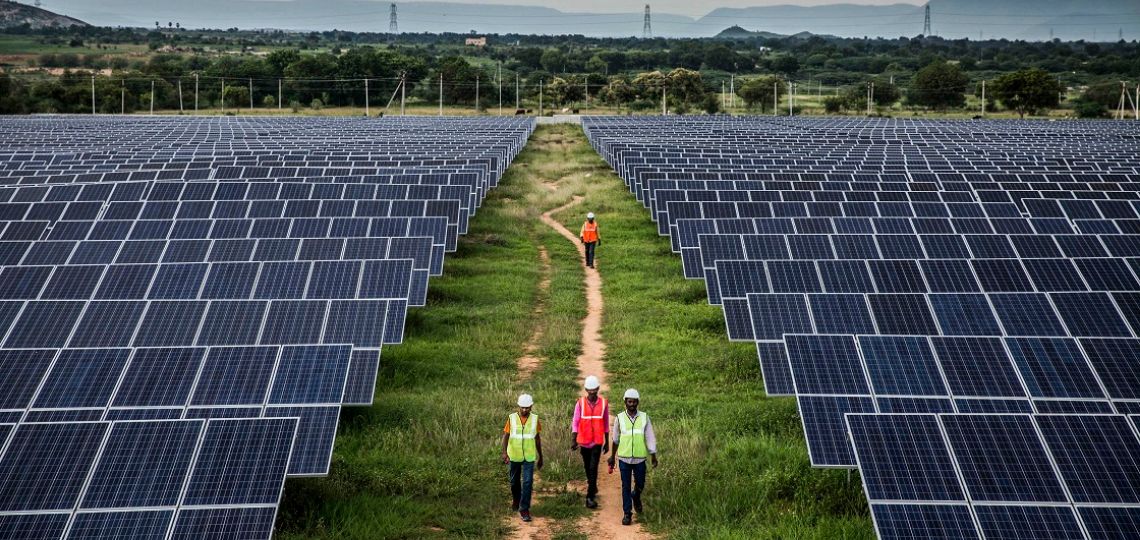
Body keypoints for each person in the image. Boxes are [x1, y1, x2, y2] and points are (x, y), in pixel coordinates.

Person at [607, 388, 657, 526]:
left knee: (640, 484)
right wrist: (612, 457)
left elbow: (650, 437)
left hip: (640, 458)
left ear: (638, 402)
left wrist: (653, 454)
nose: (632, 404)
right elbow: (615, 439)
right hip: (624, 458)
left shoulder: (644, 417)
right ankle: (627, 513)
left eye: (635, 402)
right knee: (625, 486)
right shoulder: (619, 418)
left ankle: (636, 496)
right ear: (625, 402)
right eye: (630, 401)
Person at [501, 393, 543, 522]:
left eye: (527, 407)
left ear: (531, 406)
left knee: (527, 482)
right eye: (522, 407)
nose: (524, 410)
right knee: (514, 482)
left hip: (529, 457)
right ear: (518, 406)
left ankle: (524, 509)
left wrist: (541, 456)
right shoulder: (512, 418)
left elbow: (537, 439)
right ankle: (516, 499)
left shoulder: (535, 419)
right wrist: (504, 453)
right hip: (514, 455)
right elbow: (505, 436)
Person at [571, 375, 609, 509]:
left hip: (597, 442)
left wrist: (607, 442)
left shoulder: (604, 403)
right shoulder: (580, 403)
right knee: (587, 467)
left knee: (593, 468)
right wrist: (574, 440)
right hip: (584, 441)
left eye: (595, 389)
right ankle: (593, 485)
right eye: (590, 390)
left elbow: (605, 423)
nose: (592, 392)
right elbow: (575, 422)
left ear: (598, 388)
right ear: (586, 389)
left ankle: (590, 496)